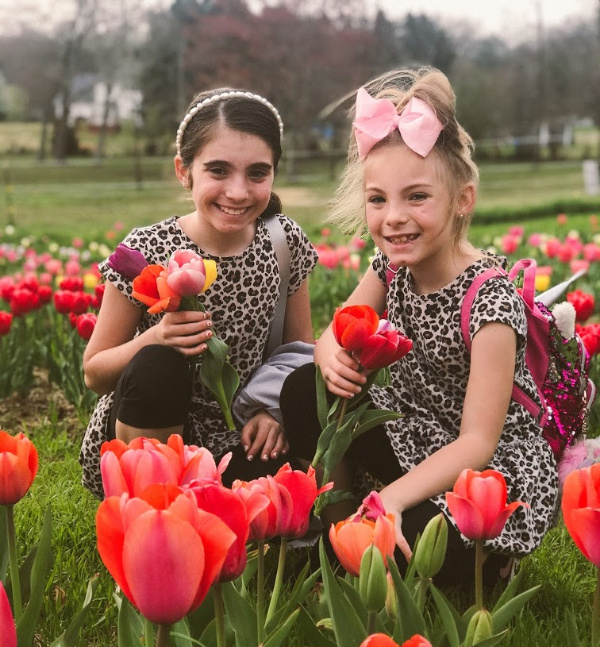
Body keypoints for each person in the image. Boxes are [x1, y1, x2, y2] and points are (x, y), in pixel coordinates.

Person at [280, 67, 560, 586]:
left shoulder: (490, 303)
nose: (394, 218)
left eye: (417, 197)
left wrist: (393, 497)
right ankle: (341, 525)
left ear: (462, 201)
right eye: (378, 199)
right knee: (305, 388)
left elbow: (477, 442)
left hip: (484, 472)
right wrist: (328, 356)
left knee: (427, 547)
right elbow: (332, 332)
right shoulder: (390, 267)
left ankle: (488, 559)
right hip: (414, 434)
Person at [80, 88, 317, 499]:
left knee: (277, 499)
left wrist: (275, 409)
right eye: (218, 170)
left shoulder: (283, 241)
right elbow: (94, 372)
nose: (238, 191)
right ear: (183, 170)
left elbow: (299, 353)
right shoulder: (146, 250)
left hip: (242, 432)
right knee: (158, 363)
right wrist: (154, 338)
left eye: (257, 173)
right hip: (152, 427)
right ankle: (152, 503)